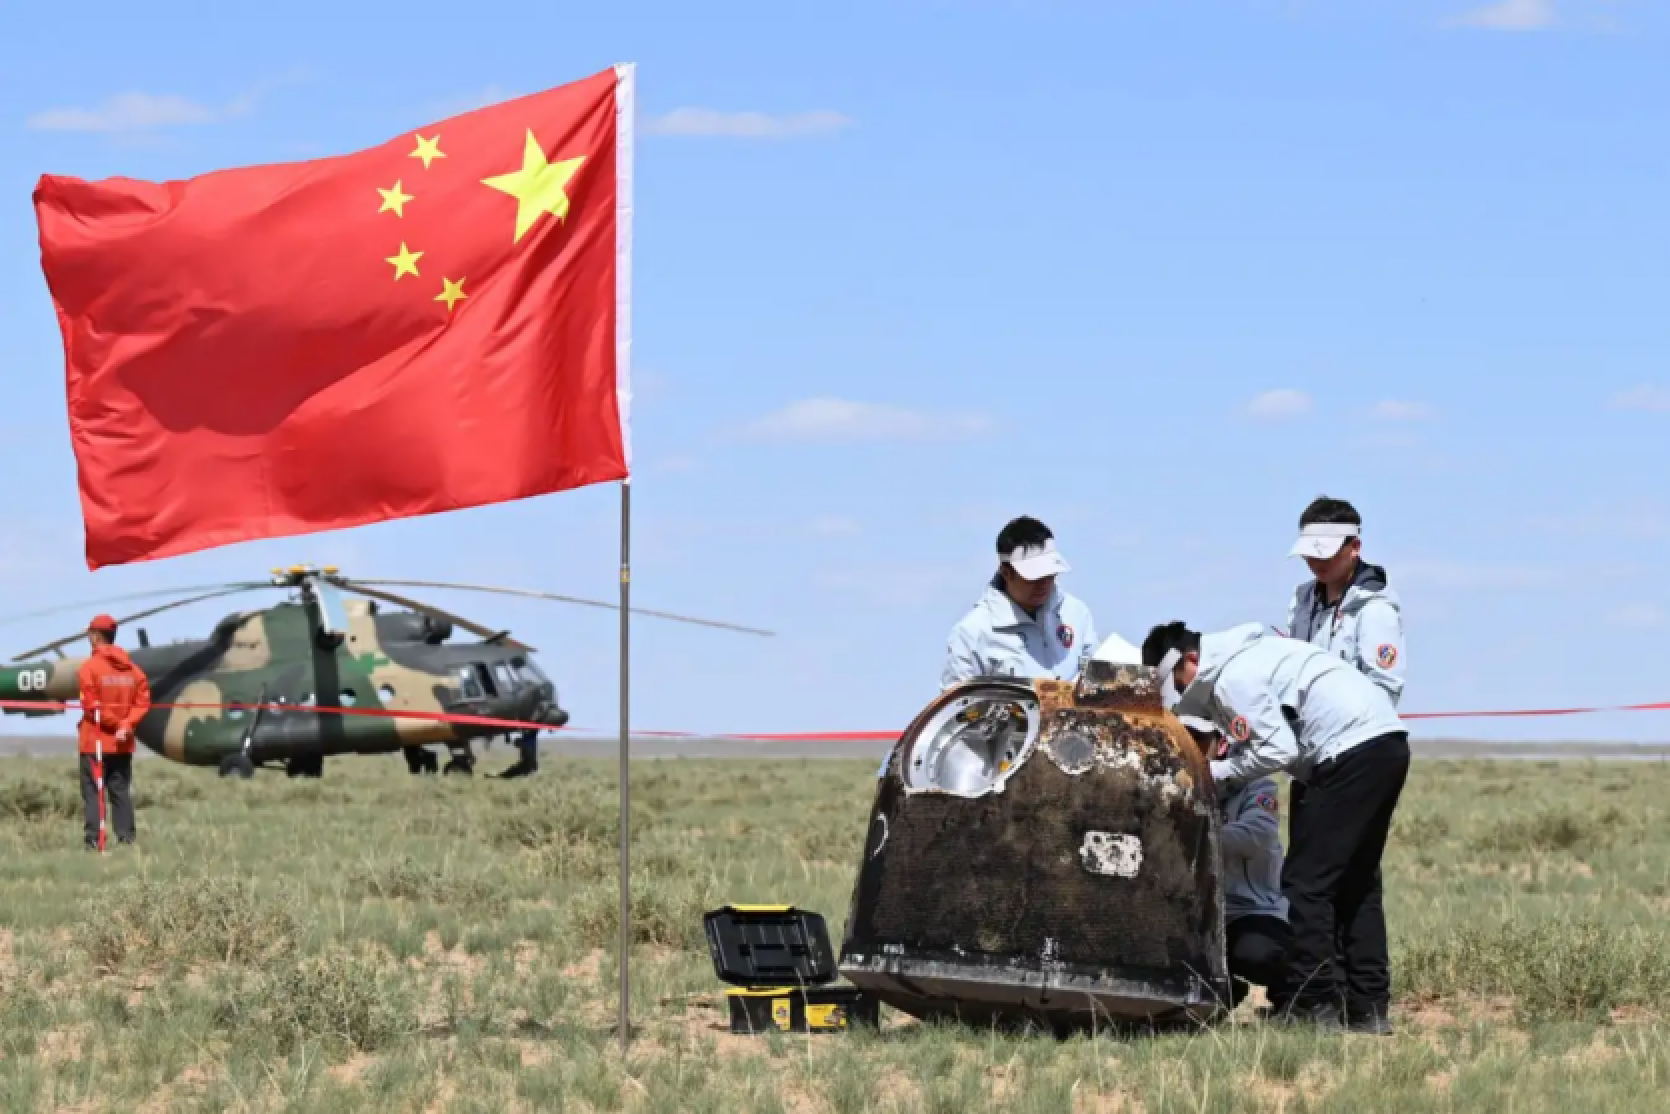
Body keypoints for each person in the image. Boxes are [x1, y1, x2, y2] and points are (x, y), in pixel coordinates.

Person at [1144, 620, 1408, 1034]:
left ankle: (1314, 1006)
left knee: (1307, 883)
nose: (1179, 693)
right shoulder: (1256, 656)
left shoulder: (1233, 678)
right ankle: (1367, 1006)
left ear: (1190, 660)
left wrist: (1217, 771)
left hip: (1345, 753)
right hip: (1385, 744)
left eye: (1176, 682)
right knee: (1357, 883)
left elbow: (1278, 749)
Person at [941, 516, 1098, 687]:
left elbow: (1098, 681)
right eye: (1035, 576)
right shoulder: (971, 634)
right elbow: (958, 706)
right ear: (1006, 572)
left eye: (1050, 574)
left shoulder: (1077, 614)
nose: (1044, 583)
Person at [1284, 496, 1405, 707]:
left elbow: (1383, 693)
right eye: (1309, 554)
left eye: (1325, 554)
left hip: (1357, 735)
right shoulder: (1301, 602)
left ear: (1354, 547)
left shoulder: (1376, 610)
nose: (1315, 562)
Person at [78, 614, 151, 850]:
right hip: (122, 744)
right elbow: (143, 704)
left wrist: (117, 724)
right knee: (120, 790)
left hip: (95, 742)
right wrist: (127, 724)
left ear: (95, 636)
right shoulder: (135, 671)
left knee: (93, 791)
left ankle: (94, 841)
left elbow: (91, 707)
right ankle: (126, 839)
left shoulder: (89, 668)